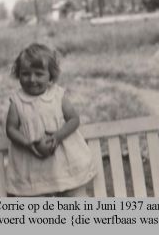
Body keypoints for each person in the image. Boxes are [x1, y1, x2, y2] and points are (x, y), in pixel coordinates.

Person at [5, 43, 96, 196]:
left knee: (72, 194)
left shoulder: (57, 95)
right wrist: (27, 143)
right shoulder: (17, 101)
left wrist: (57, 136)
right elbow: (11, 129)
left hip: (62, 161)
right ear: (18, 75)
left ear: (50, 77)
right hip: (33, 165)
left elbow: (73, 119)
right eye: (25, 74)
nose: (32, 79)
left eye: (39, 74)